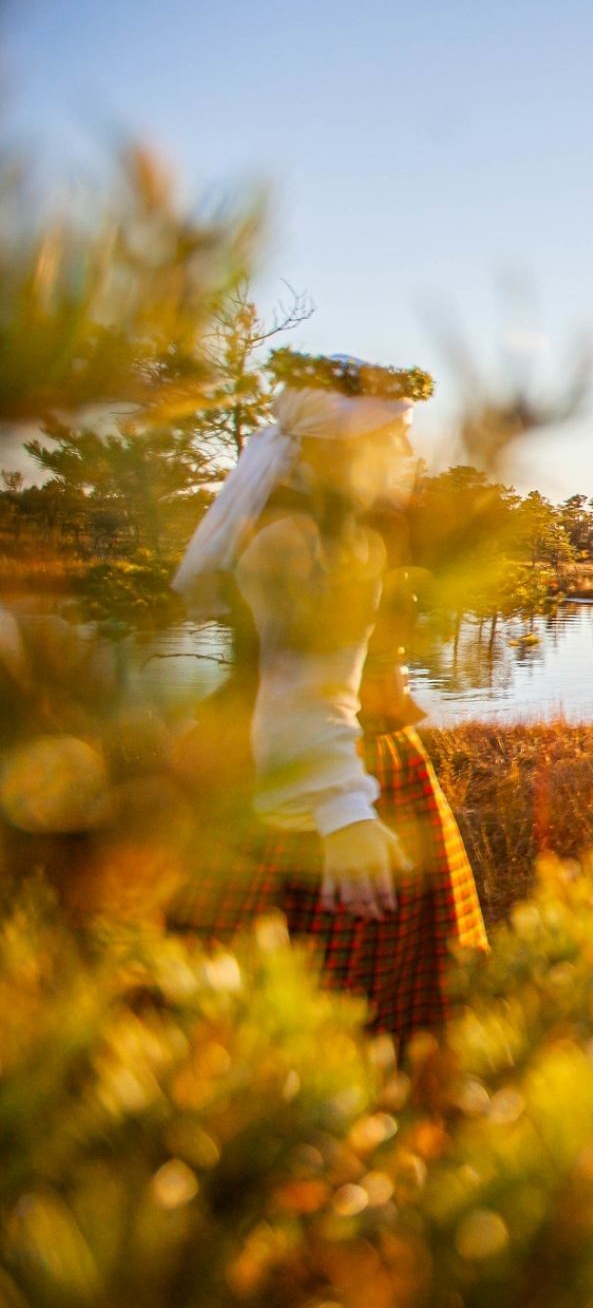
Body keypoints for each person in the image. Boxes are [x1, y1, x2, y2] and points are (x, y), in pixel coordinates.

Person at [166, 350, 488, 1045]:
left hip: (303, 757)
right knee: (336, 992)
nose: (407, 448)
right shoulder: (308, 538)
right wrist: (344, 812)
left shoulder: (319, 524)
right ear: (344, 446)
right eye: (393, 434)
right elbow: (301, 682)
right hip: (327, 769)